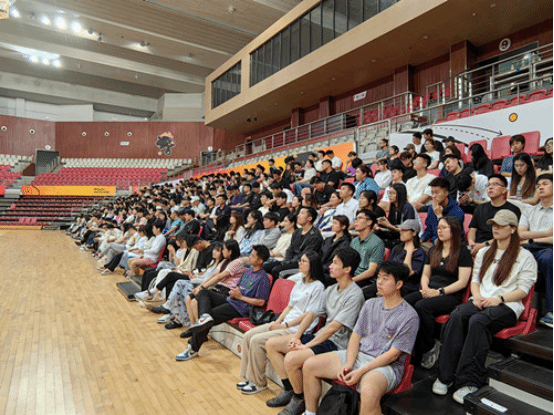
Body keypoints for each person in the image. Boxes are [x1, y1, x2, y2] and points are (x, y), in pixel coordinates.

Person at [434, 210, 537, 404]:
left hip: (507, 306)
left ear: (512, 229)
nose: (495, 228)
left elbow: (523, 290)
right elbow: (475, 281)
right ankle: (445, 375)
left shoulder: (525, 256)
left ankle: (469, 381)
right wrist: (478, 297)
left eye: (501, 225)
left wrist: (499, 299)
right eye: (494, 225)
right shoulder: (484, 252)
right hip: (481, 300)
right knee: (457, 315)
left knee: (478, 321)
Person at [302, 261, 419, 415]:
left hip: (386, 366)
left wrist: (361, 371)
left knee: (368, 391)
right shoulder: (370, 304)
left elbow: (394, 355)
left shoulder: (409, 316)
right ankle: (310, 413)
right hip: (359, 356)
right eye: (378, 277)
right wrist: (349, 364)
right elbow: (355, 336)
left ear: (399, 284)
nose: (379, 282)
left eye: (385, 279)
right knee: (310, 365)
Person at [265, 247, 365, 414]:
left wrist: (306, 345)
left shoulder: (355, 294)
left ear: (347, 269)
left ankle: (299, 399)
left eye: (335, 263)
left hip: (337, 344)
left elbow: (333, 328)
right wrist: (297, 336)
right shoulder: (331, 289)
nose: (330, 266)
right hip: (321, 337)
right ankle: (290, 390)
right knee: (272, 344)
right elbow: (312, 314)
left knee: (291, 358)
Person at [237, 251, 326, 395]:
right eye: (300, 260)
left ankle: (258, 382)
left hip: (296, 329)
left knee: (257, 340)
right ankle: (248, 376)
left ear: (312, 265)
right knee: (248, 336)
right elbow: (289, 307)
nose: (299, 263)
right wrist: (277, 321)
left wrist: (284, 326)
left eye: (304, 261)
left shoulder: (318, 287)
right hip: (284, 323)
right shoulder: (299, 282)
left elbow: (308, 315)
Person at [176, 245, 271, 362]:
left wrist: (240, 297)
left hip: (241, 307)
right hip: (231, 299)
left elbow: (261, 302)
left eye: (252, 256)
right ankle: (204, 317)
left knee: (210, 317)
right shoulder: (247, 272)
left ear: (260, 261)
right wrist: (233, 292)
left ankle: (192, 349)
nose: (249, 257)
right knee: (204, 292)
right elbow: (237, 287)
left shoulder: (263, 278)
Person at [405, 216, 473, 368]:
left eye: (444, 228)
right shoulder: (434, 250)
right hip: (429, 290)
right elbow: (425, 275)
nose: (439, 231)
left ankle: (428, 347)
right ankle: (408, 345)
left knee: (422, 306)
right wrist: (425, 288)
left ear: (454, 230)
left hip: (449, 294)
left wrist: (440, 292)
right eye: (438, 228)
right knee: (405, 303)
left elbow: (462, 282)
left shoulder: (463, 252)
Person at [518, 174, 553, 328]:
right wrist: (546, 233)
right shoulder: (529, 210)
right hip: (529, 247)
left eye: (545, 184)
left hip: (549, 248)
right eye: (538, 185)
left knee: (548, 259)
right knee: (510, 255)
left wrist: (531, 238)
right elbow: (520, 234)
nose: (540, 187)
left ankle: (551, 312)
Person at [468, 174, 521, 256]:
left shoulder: (513, 210)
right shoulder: (480, 208)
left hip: (498, 246)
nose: (490, 187)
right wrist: (471, 243)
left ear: (504, 190)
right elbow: (472, 229)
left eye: (495, 184)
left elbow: (510, 235)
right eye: (488, 185)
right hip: (477, 245)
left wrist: (483, 245)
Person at [264, 207, 323, 281]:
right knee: (265, 267)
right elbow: (290, 249)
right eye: (299, 213)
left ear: (309, 218)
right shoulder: (297, 232)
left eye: (302, 213)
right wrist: (286, 261)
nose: (298, 216)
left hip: (300, 263)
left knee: (277, 270)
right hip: (290, 261)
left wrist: (289, 263)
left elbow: (306, 256)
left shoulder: (315, 236)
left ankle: (278, 288)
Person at [350, 210, 385, 298]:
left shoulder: (377, 243)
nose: (356, 222)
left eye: (360, 218)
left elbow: (371, 271)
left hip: (366, 279)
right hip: (352, 275)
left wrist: (351, 280)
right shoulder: (354, 241)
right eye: (356, 219)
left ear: (369, 222)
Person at [421, 177, 465, 247]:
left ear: (446, 193)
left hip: (452, 245)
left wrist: (439, 216)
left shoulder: (457, 211)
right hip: (434, 244)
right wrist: (420, 240)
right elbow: (429, 230)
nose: (433, 196)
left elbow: (448, 236)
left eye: (437, 193)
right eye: (432, 193)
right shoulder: (431, 208)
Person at [389, 220, 426, 295]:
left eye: (405, 230)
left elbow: (408, 273)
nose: (401, 232)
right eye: (401, 230)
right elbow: (388, 267)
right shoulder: (397, 248)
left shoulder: (419, 253)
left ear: (414, 233)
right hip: (391, 283)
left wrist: (409, 253)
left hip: (407, 288)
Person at [375, 184, 417, 249]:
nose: (390, 195)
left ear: (400, 194)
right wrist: (379, 228)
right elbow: (391, 229)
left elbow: (408, 230)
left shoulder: (408, 208)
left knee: (381, 242)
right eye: (389, 193)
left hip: (407, 237)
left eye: (393, 193)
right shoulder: (393, 206)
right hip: (397, 234)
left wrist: (388, 225)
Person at [320, 216, 352, 286]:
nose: (332, 225)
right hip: (321, 269)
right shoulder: (328, 240)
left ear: (343, 227)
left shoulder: (346, 243)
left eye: (335, 223)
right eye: (333, 223)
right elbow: (321, 254)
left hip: (331, 272)